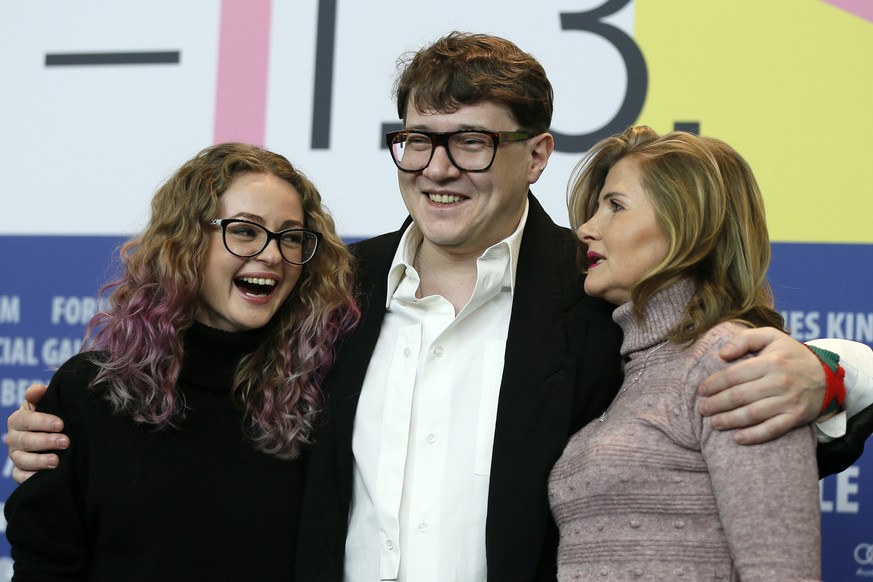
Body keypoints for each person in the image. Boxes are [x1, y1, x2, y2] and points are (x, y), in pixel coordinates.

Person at [7, 33, 873, 582]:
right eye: (417, 139)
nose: (436, 166)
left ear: (535, 155)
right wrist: (62, 425)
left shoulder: (601, 291)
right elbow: (193, 396)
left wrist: (836, 374)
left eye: (470, 141)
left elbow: (709, 435)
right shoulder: (329, 287)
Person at [3, 143, 360, 581]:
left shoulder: (318, 400)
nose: (272, 254)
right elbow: (45, 566)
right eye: (245, 230)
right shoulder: (91, 393)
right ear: (187, 241)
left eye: (290, 237)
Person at [549, 126, 820, 580]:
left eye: (615, 206)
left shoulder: (733, 360)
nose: (586, 229)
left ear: (686, 227)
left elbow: (781, 569)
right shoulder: (635, 369)